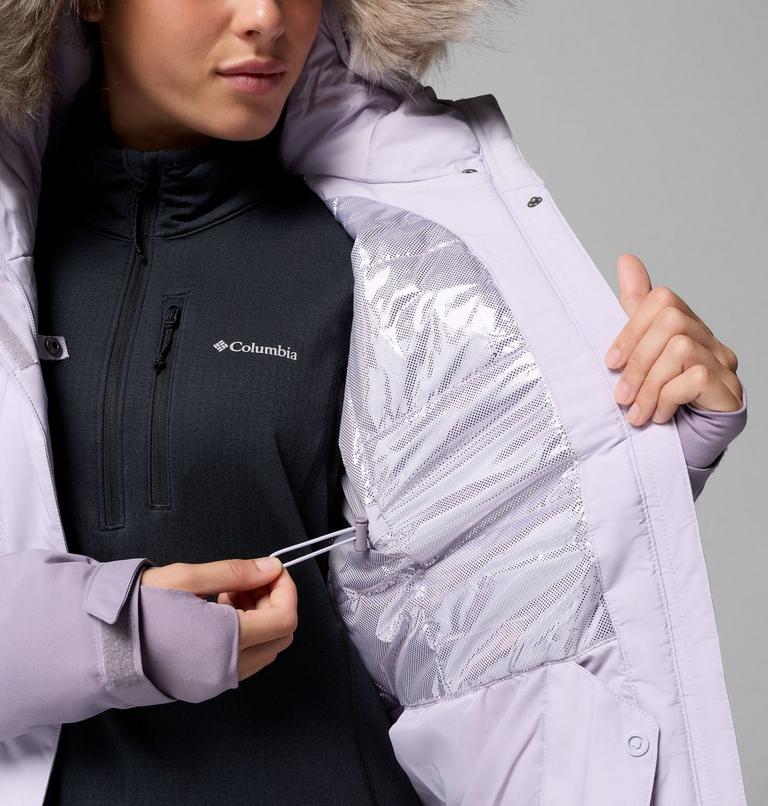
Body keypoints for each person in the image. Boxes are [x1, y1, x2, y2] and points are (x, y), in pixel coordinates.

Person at [0, 0, 749, 804]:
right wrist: (111, 638)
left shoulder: (377, 255)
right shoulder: (20, 250)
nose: (264, 16)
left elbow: (466, 580)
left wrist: (633, 453)